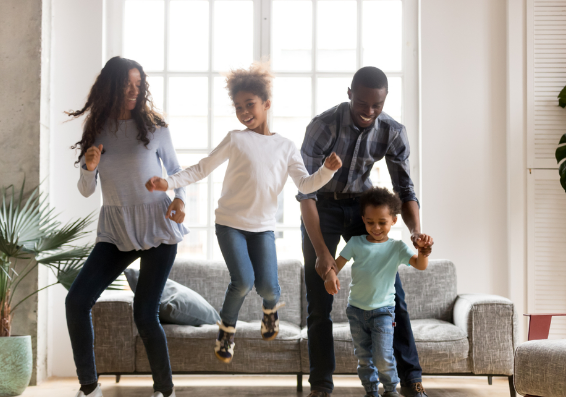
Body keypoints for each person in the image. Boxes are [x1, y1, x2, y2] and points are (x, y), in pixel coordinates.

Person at [145, 62, 343, 364]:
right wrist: (168, 182)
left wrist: (326, 172)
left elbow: (305, 184)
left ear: (267, 103)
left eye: (249, 104)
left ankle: (270, 310)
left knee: (267, 286)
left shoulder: (286, 146)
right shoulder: (236, 139)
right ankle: (226, 331)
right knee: (242, 280)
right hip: (229, 224)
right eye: (238, 107)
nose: (244, 112)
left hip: (262, 227)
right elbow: (202, 167)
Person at [298, 66, 434, 397]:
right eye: (362, 104)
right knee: (319, 300)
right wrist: (322, 253)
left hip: (363, 208)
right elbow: (305, 193)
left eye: (377, 106)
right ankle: (321, 385)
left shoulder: (392, 131)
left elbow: (405, 189)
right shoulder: (322, 126)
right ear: (349, 94)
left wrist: (416, 231)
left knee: (394, 294)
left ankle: (411, 378)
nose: (368, 112)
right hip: (323, 207)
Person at [65, 56, 186, 397]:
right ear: (111, 87)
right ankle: (89, 388)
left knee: (145, 314)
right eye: (126, 85)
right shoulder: (97, 128)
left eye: (138, 85)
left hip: (158, 226)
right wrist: (89, 167)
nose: (133, 91)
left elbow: (177, 173)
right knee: (76, 301)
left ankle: (165, 390)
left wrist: (180, 201)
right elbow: (87, 190)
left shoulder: (155, 127)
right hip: (116, 230)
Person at [324, 187, 431, 397]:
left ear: (393, 220)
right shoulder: (355, 243)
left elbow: (420, 265)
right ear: (363, 219)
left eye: (382, 222)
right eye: (370, 222)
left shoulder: (397, 247)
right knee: (364, 358)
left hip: (383, 312)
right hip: (356, 312)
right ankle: (371, 392)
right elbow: (336, 266)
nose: (376, 227)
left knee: (383, 356)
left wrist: (423, 251)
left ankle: (391, 390)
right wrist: (330, 276)